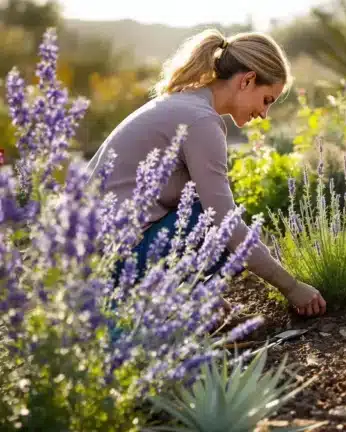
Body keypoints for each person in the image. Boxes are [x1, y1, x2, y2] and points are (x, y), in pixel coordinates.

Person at [86, 28, 326, 316]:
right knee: (212, 221)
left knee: (206, 213)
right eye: (266, 100)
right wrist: (292, 287)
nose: (264, 114)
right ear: (247, 80)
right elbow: (224, 225)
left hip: (89, 264)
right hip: (108, 272)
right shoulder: (201, 121)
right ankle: (146, 310)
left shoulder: (183, 103)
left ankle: (193, 303)